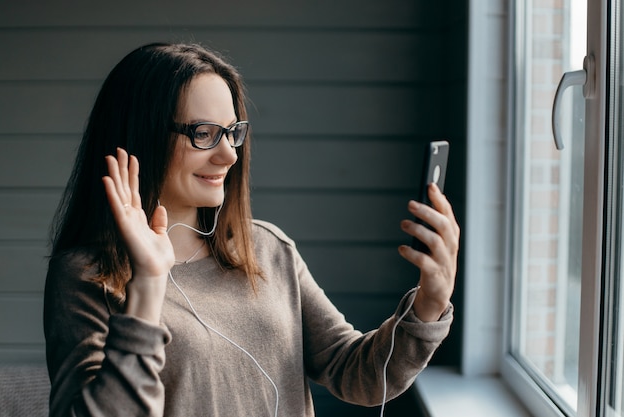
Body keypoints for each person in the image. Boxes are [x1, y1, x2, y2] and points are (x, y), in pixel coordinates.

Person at [44, 42, 460, 417]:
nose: (228, 154)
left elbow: (357, 372)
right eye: (203, 134)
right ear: (141, 136)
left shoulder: (267, 247)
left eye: (232, 133)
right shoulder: (84, 276)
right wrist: (149, 284)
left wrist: (429, 303)